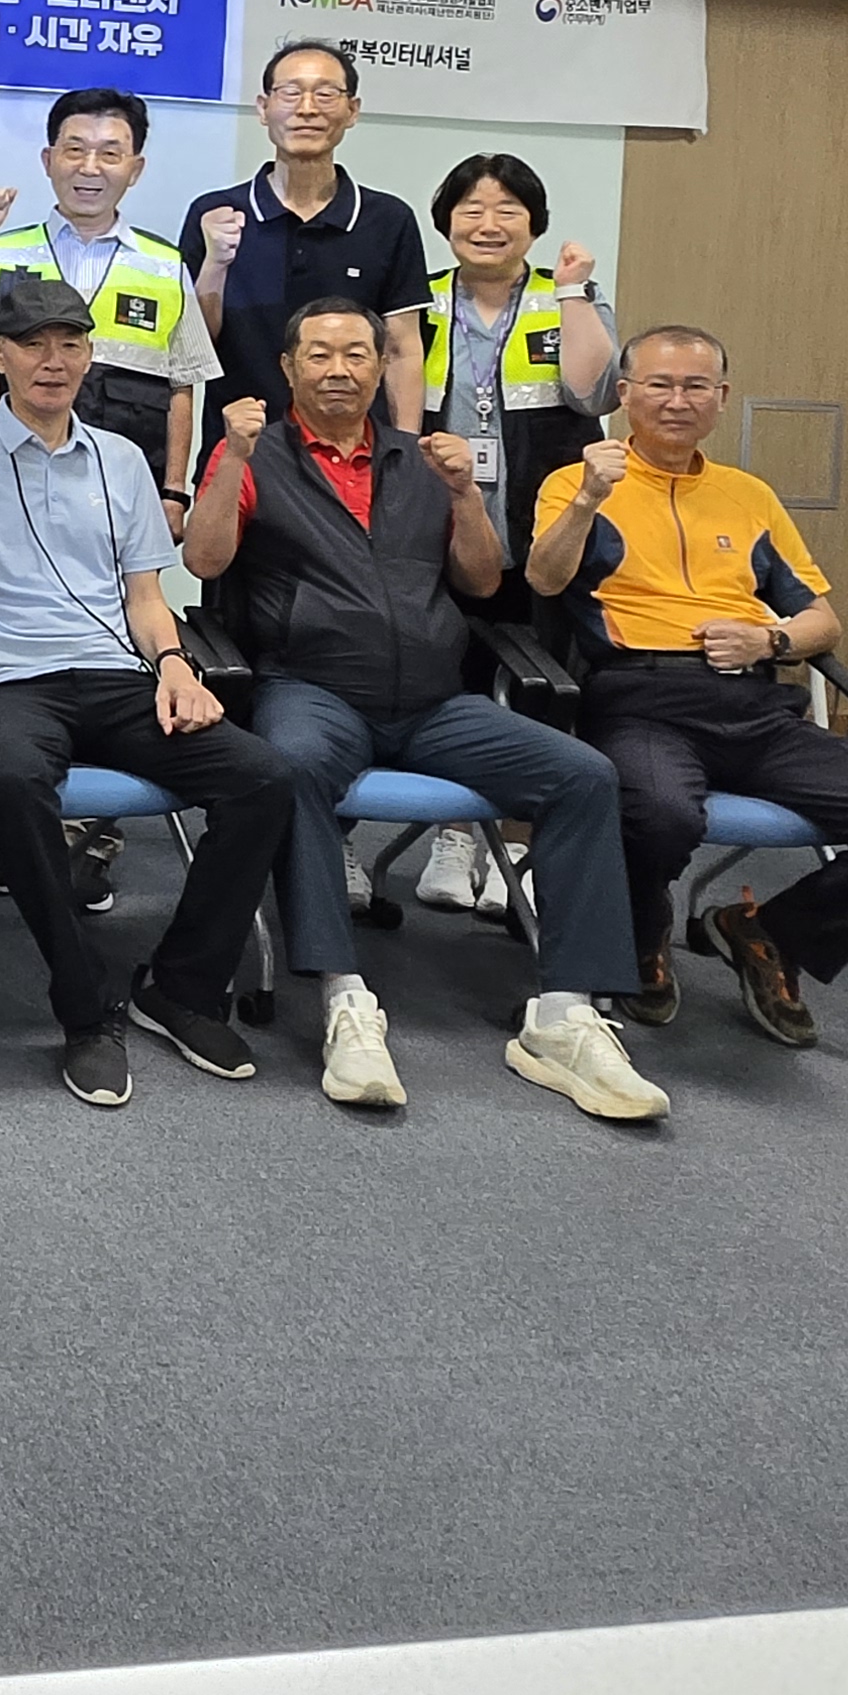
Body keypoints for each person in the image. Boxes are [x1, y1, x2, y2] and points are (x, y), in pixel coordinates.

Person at [181, 296, 669, 1125]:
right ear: (289, 368)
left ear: (383, 367)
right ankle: (345, 997)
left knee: (583, 774)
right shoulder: (256, 456)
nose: (339, 370)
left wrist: (466, 495)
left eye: (357, 355)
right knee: (290, 766)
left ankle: (565, 1015)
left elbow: (480, 580)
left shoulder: (420, 460)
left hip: (436, 702)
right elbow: (204, 558)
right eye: (319, 355)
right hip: (313, 689)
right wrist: (230, 459)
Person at [0, 277, 295, 1109]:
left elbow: (145, 598)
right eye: (33, 345)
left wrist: (175, 667)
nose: (53, 362)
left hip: (116, 673)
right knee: (16, 784)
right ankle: (84, 1007)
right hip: (3, 677)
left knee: (263, 778)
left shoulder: (121, 460)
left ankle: (181, 988)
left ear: (90, 356)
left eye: (70, 344)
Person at [526, 325, 848, 1046]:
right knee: (660, 816)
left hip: (757, 703)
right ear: (624, 394)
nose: (677, 401)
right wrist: (589, 499)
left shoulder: (748, 495)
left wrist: (770, 640)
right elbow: (543, 579)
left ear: (721, 399)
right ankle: (643, 930)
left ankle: (768, 933)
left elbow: (822, 621)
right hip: (641, 698)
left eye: (696, 387)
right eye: (659, 385)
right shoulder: (575, 482)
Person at [404, 149, 613, 918]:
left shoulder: (567, 297)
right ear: (446, 222)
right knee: (450, 677)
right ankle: (455, 835)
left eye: (507, 211)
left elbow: (593, 393)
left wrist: (577, 293)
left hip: (543, 521)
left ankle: (519, 843)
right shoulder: (418, 300)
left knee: (541, 681)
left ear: (534, 223)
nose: (488, 225)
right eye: (472, 210)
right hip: (446, 517)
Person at [0, 86, 218, 518]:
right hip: (9, 477)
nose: (90, 168)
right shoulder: (3, 251)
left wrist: (175, 492)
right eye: (75, 150)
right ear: (48, 160)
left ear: (135, 168)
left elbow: (182, 385)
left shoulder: (165, 264)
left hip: (125, 483)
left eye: (109, 154)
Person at [180, 40, 431, 434]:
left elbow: (401, 351)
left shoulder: (388, 219)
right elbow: (191, 348)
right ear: (263, 108)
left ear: (352, 110)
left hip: (359, 454)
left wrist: (406, 450)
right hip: (242, 448)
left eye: (326, 94)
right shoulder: (215, 214)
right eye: (291, 92)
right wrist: (215, 263)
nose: (308, 108)